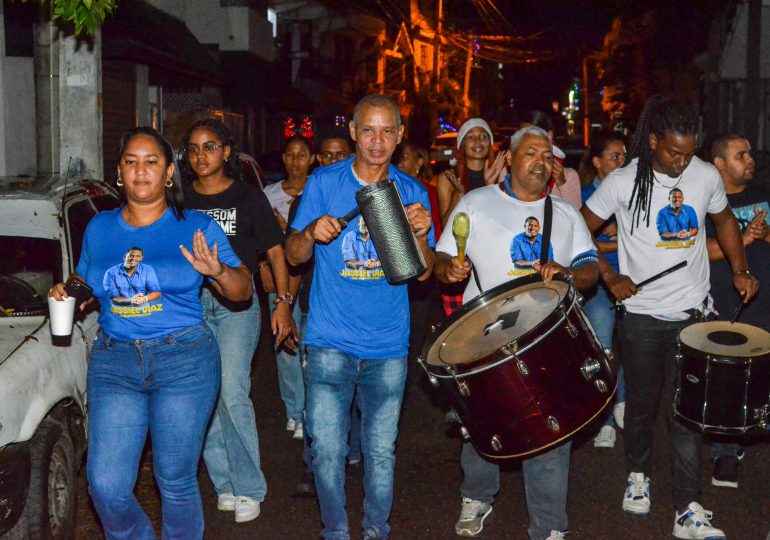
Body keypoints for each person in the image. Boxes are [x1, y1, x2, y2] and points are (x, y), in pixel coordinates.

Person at [49, 127, 253, 540]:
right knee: (105, 485)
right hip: (115, 360)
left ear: (169, 173)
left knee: (174, 479)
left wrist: (219, 272)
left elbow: (243, 289)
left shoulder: (195, 226)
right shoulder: (101, 228)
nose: (141, 171)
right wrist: (67, 292)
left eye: (152, 161)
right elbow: (87, 282)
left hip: (184, 360)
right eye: (131, 161)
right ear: (120, 173)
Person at [581, 96, 758, 540]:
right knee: (640, 408)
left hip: (692, 314)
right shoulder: (623, 182)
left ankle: (687, 507)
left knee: (686, 413)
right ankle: (638, 474)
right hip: (640, 315)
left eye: (689, 152)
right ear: (653, 140)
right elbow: (577, 227)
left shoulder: (703, 174)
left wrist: (739, 269)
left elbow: (724, 222)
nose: (682, 162)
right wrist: (608, 273)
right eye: (673, 152)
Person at [434, 126, 599, 540]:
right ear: (509, 157)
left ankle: (548, 526)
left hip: (544, 338)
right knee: (483, 422)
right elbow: (440, 257)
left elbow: (590, 268)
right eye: (531, 152)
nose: (540, 161)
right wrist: (449, 268)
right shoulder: (476, 202)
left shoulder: (565, 214)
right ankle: (476, 496)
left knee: (550, 429)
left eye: (547, 155)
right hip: (484, 337)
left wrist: (570, 274)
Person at [285, 93, 434, 540]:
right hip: (330, 339)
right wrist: (311, 231)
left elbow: (423, 275)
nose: (377, 140)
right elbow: (293, 256)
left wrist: (422, 234)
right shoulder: (324, 183)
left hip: (388, 344)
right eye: (368, 130)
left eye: (387, 130)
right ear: (353, 132)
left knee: (380, 452)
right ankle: (335, 531)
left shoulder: (412, 192)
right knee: (328, 449)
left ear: (400, 136)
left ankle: (376, 531)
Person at [180, 118, 294, 523]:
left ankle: (249, 486)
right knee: (202, 397)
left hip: (237, 310)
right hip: (192, 309)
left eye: (210, 147)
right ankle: (224, 482)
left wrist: (282, 302)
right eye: (194, 149)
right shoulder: (180, 202)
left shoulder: (248, 197)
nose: (201, 155)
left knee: (231, 392)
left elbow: (276, 252)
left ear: (227, 152)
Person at [707, 132, 770, 489]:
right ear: (719, 164)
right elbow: (696, 249)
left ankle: (750, 433)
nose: (750, 160)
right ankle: (725, 451)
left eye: (749, 153)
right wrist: (740, 240)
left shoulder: (763, 194)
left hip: (766, 298)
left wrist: (763, 233)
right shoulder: (705, 202)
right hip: (726, 300)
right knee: (727, 376)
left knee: (762, 375)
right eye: (740, 155)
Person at [578, 131, 627, 448]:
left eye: (625, 156)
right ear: (596, 162)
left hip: (635, 278)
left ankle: (625, 403)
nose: (622, 162)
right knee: (603, 348)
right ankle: (606, 418)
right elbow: (583, 238)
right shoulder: (585, 196)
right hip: (599, 282)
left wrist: (614, 236)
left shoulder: (633, 192)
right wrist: (613, 238)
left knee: (637, 348)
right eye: (614, 156)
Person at [264, 134, 315, 439]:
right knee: (285, 345)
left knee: (310, 345)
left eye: (302, 155)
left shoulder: (317, 192)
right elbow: (259, 238)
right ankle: (294, 409)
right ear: (283, 159)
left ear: (312, 160)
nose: (295, 161)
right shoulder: (269, 194)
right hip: (280, 279)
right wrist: (262, 267)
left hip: (310, 276)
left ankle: (310, 408)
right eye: (290, 155)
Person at [436, 118, 508, 227]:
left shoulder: (500, 174)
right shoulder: (447, 178)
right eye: (470, 137)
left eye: (483, 136)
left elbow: (503, 222)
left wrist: (491, 187)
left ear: (490, 143)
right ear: (462, 144)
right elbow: (445, 226)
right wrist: (457, 195)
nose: (478, 141)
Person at [519, 110, 582, 209]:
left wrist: (562, 184)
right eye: (522, 135)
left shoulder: (568, 176)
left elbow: (576, 216)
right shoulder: (510, 172)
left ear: (549, 136)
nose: (527, 140)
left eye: (533, 134)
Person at [397, 141, 441, 237]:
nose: (399, 162)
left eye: (405, 158)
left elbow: (435, 230)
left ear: (419, 163)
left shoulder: (430, 193)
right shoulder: (395, 188)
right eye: (398, 158)